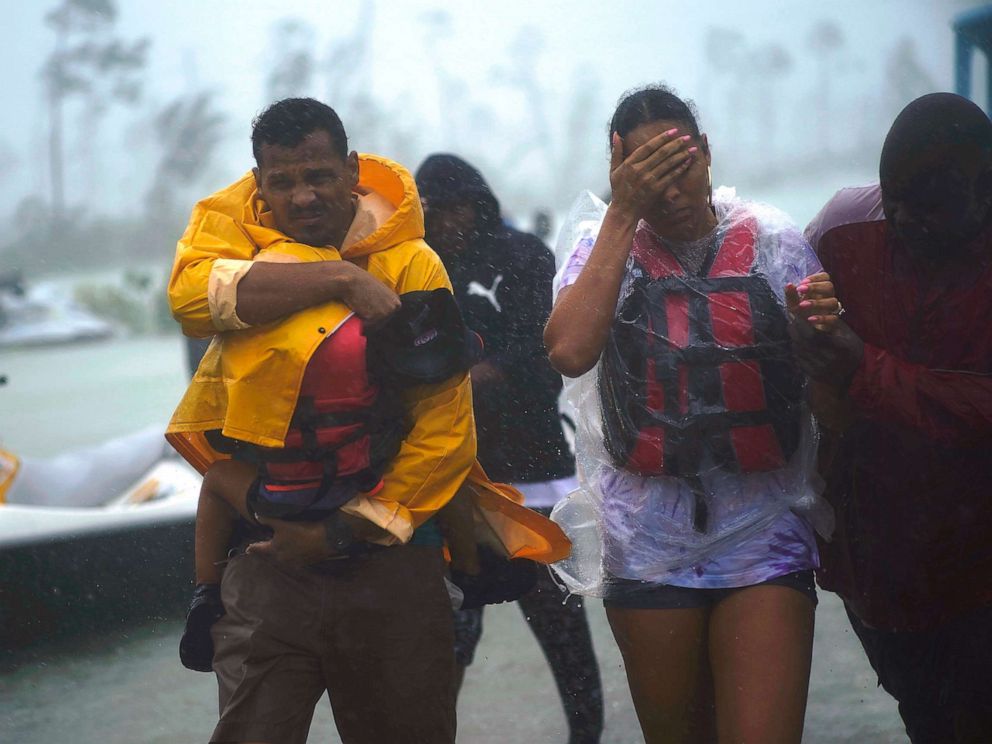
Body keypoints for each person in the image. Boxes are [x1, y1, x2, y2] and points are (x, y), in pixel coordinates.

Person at [165, 97, 568, 744]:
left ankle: (470, 576)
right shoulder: (232, 235)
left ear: (353, 170)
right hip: (266, 557)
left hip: (387, 561)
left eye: (318, 175)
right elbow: (190, 299)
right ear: (259, 184)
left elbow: (444, 434)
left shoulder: (413, 264)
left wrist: (343, 534)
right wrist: (338, 280)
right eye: (282, 181)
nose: (301, 196)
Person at [543, 85, 840, 744]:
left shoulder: (772, 241)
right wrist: (624, 212)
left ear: (707, 153)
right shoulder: (601, 246)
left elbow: (834, 394)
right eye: (647, 174)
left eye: (680, 166)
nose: (670, 191)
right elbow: (568, 350)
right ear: (617, 167)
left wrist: (828, 335)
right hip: (647, 541)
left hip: (764, 534)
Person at [797, 92, 992, 743]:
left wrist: (862, 365)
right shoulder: (844, 230)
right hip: (879, 555)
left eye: (930, 204)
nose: (904, 217)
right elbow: (782, 334)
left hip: (980, 550)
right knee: (928, 718)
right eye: (894, 196)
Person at [415, 153, 604, 744]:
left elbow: (557, 357)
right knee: (448, 635)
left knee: (561, 627)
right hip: (451, 486)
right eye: (431, 211)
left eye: (453, 208)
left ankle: (586, 736)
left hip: (534, 479)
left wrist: (485, 376)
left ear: (479, 201)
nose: (444, 222)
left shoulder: (524, 256)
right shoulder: (418, 272)